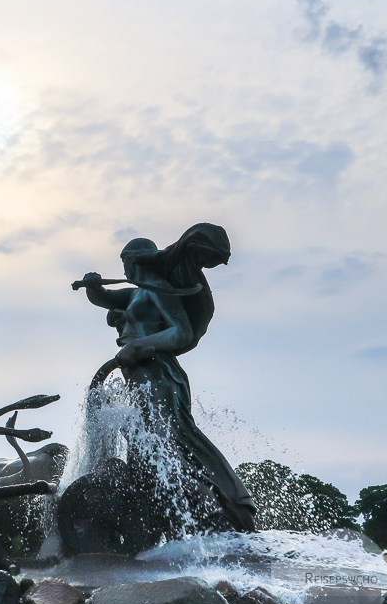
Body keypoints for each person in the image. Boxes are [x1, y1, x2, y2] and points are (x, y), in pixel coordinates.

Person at [77, 225, 257, 533]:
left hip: (158, 373)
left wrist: (139, 345)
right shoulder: (137, 294)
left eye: (127, 264)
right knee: (145, 443)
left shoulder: (160, 290)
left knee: (164, 443)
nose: (124, 270)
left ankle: (216, 511)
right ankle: (165, 515)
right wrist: (93, 286)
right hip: (140, 373)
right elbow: (105, 298)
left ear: (138, 262)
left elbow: (182, 332)